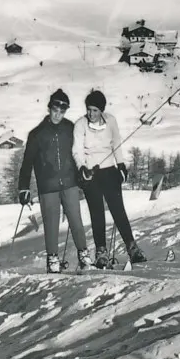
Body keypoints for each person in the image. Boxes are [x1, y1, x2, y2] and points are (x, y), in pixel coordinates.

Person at [17, 88, 89, 271]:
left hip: (70, 183)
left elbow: (78, 153)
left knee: (76, 221)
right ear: (49, 109)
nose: (58, 115)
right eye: (55, 110)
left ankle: (84, 255)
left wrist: (83, 172)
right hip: (47, 186)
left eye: (62, 111)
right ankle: (53, 260)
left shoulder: (70, 129)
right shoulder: (37, 134)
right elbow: (27, 163)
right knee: (51, 223)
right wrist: (23, 187)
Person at [76, 89, 146, 266]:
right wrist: (82, 167)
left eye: (95, 110)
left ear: (102, 111)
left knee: (118, 210)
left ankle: (132, 248)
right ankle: (101, 252)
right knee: (97, 213)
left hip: (109, 171)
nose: (91, 114)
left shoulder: (111, 121)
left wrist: (121, 164)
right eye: (89, 109)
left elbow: (116, 143)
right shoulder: (80, 124)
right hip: (91, 173)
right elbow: (77, 150)